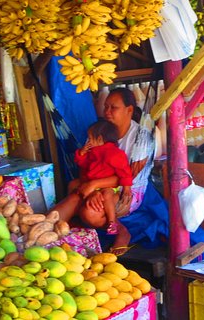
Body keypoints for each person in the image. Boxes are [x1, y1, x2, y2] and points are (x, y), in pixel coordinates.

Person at [53, 88, 146, 255]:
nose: (107, 112)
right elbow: (85, 167)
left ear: (129, 110)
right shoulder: (99, 136)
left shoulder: (139, 140)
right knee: (75, 189)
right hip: (96, 182)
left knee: (89, 211)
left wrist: (96, 186)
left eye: (113, 108)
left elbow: (127, 176)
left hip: (124, 190)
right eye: (106, 107)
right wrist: (83, 159)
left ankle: (118, 227)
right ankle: (48, 228)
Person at [71, 120, 132, 235]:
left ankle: (112, 222)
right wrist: (82, 154)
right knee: (74, 188)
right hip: (92, 185)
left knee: (107, 196)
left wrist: (127, 188)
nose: (88, 141)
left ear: (99, 139)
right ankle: (76, 218)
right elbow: (83, 165)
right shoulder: (92, 152)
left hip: (108, 186)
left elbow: (125, 172)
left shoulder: (115, 154)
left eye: (90, 138)